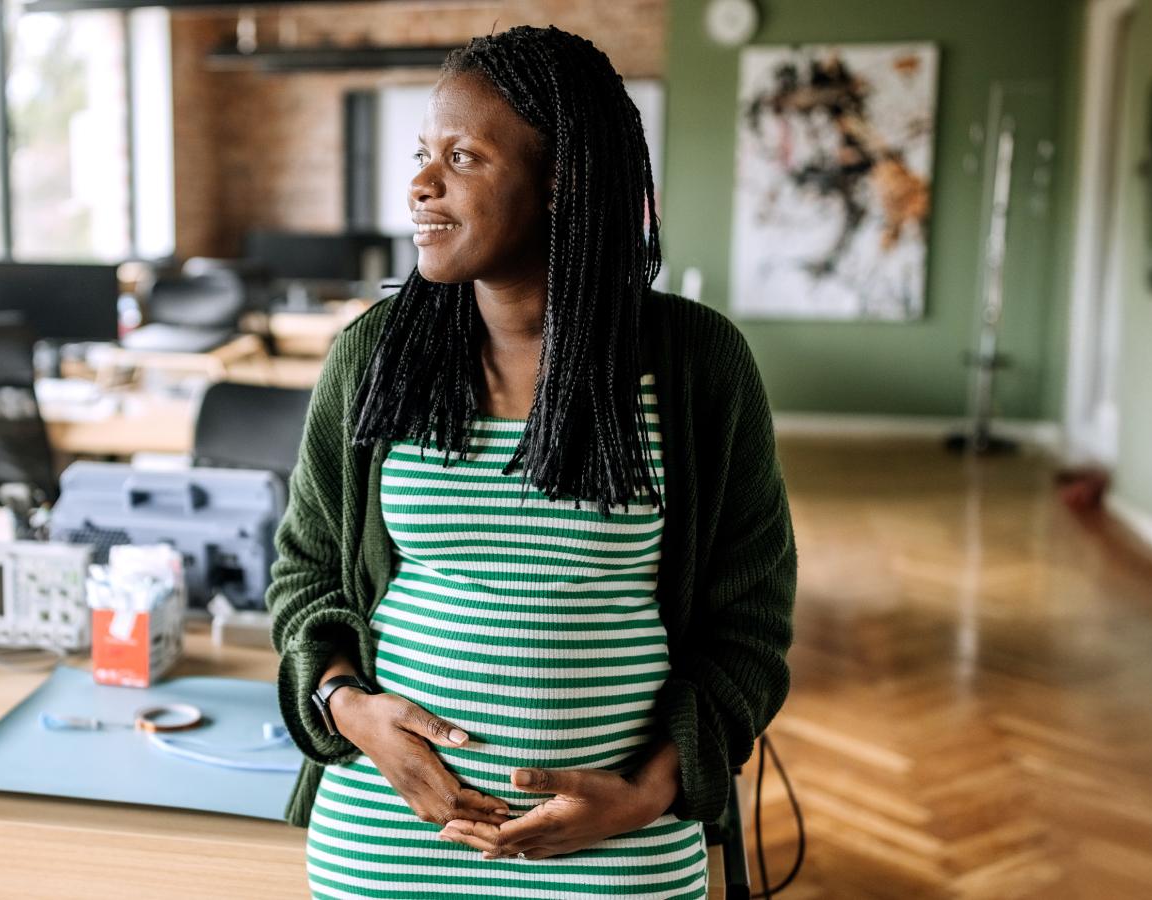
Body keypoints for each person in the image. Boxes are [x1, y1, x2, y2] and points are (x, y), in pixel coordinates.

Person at [266, 25, 796, 899]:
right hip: (390, 832)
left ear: (563, 182)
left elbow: (750, 627)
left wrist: (645, 793)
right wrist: (348, 710)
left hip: (618, 841)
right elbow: (305, 575)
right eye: (422, 152)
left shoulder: (698, 365)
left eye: (463, 156)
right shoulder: (374, 358)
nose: (420, 184)